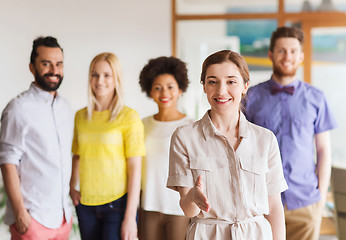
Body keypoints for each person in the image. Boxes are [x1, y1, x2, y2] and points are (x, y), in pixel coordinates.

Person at [167, 50, 288, 240]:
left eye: (231, 82)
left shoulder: (266, 139)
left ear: (245, 86)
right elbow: (188, 209)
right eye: (212, 82)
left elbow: (274, 206)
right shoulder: (184, 137)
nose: (221, 91)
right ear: (204, 87)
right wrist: (193, 197)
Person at [244, 26, 337, 240]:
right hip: (260, 200)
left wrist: (321, 198)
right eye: (281, 50)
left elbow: (323, 150)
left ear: (301, 56)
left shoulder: (316, 98)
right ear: (270, 54)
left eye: (293, 51)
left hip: (305, 201)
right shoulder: (251, 97)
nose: (288, 56)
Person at [0, 36, 73, 240]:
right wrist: (20, 213)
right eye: (46, 64)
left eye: (59, 64)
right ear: (32, 67)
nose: (54, 70)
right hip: (33, 219)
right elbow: (7, 163)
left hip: (62, 218)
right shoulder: (18, 109)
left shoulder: (66, 109)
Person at [69, 52, 145, 240]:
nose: (99, 81)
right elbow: (77, 155)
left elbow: (135, 169)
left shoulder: (129, 117)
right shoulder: (80, 116)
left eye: (106, 75)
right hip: (85, 205)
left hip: (117, 205)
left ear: (116, 78)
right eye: (95, 75)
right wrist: (71, 186)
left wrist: (130, 218)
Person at [138, 56, 193, 240]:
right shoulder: (142, 125)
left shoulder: (191, 126)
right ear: (150, 91)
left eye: (170, 86)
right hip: (149, 205)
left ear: (180, 89)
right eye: (157, 87)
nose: (164, 93)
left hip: (179, 208)